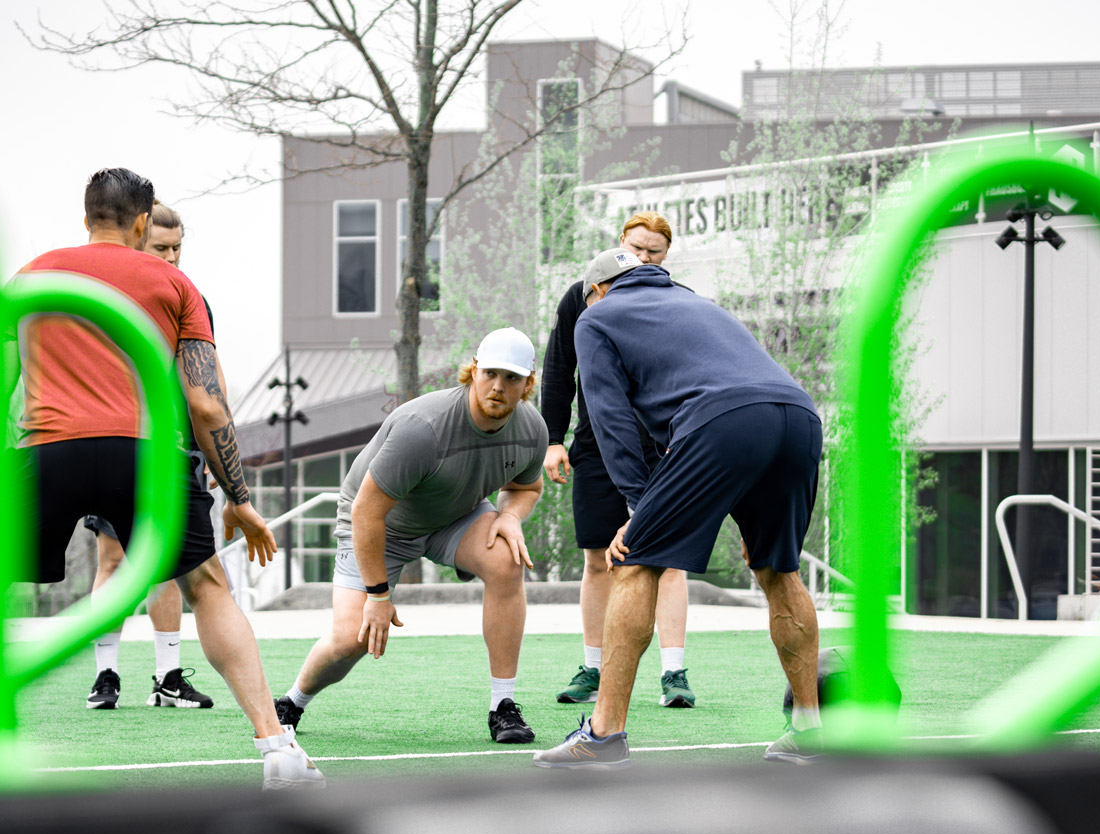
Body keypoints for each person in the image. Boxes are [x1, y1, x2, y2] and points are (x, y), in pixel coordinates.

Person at [11, 168, 323, 789]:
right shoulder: (175, 282)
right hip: (147, 457)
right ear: (139, 223)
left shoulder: (33, 274)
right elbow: (207, 405)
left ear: (86, 219)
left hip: (49, 449)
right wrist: (239, 498)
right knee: (208, 587)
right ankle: (277, 750)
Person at [533, 249, 824, 769]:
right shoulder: (701, 305)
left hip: (722, 420)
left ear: (597, 290)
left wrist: (637, 509)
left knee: (634, 560)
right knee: (778, 569)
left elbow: (609, 418)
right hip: (798, 415)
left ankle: (602, 735)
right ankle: (809, 729)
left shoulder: (595, 316)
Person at [274, 328, 547, 744]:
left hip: (456, 515)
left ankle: (503, 707)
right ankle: (292, 702)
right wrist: (379, 597)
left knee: (507, 561)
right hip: (382, 525)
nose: (498, 386)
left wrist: (510, 515)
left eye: (511, 378)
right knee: (351, 640)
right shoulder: (424, 427)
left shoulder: (532, 429)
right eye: (490, 373)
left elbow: (527, 487)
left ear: (528, 384)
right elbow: (367, 511)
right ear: (473, 371)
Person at [541, 211, 696, 709]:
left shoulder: (677, 301)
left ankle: (674, 674)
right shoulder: (583, 295)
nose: (644, 258)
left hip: (664, 449)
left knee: (669, 562)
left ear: (665, 256)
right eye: (636, 249)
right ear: (619, 246)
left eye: (654, 252)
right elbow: (560, 367)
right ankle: (593, 666)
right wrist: (553, 438)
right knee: (596, 559)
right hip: (596, 447)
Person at [83, 201, 214, 712]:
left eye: (179, 247)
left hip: (173, 452)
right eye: (162, 247)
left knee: (166, 563)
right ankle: (105, 675)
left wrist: (216, 451)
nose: (173, 256)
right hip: (114, 444)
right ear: (139, 239)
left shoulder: (189, 297)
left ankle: (167, 678)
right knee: (113, 560)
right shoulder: (110, 295)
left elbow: (206, 382)